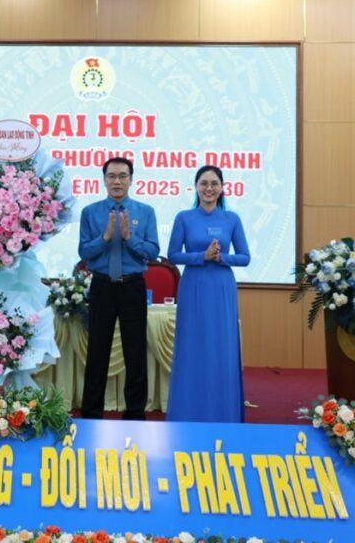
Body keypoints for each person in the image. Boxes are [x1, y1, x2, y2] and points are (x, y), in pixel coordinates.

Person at [167, 164, 250, 423]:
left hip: (222, 287)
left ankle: (223, 412)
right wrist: (201, 256)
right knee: (192, 346)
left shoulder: (232, 219)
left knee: (221, 347)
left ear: (222, 187)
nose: (209, 188)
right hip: (193, 286)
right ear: (196, 187)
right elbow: (172, 255)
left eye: (214, 183)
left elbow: (245, 257)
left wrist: (221, 257)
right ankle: (188, 411)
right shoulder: (184, 217)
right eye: (204, 183)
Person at [78, 157, 160, 419]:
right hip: (102, 286)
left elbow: (153, 251)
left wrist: (128, 237)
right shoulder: (90, 212)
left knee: (135, 354)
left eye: (122, 176)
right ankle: (91, 414)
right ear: (104, 179)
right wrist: (105, 237)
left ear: (131, 179)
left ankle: (135, 415)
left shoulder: (145, 212)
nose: (117, 181)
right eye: (111, 176)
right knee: (97, 353)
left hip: (132, 287)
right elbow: (84, 252)